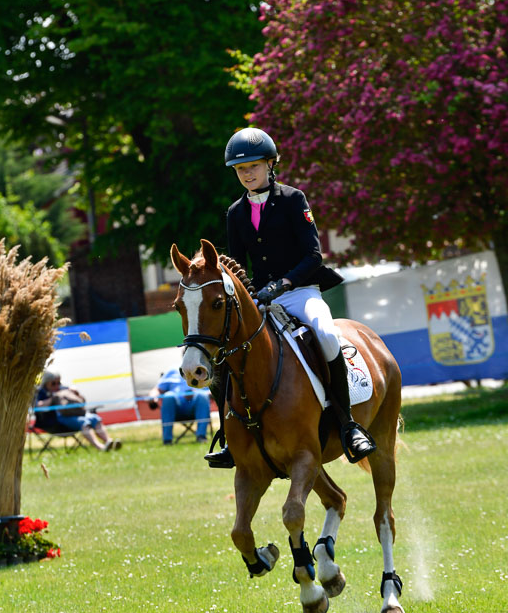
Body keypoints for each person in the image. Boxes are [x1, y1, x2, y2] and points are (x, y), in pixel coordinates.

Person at [205, 126, 376, 468]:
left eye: (253, 166)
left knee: (326, 335)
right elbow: (237, 265)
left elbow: (314, 256)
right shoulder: (235, 213)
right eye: (241, 169)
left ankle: (348, 425)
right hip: (260, 300)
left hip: (300, 292)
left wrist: (283, 284)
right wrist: (250, 293)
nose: (247, 173)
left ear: (270, 164)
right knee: (224, 356)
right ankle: (229, 437)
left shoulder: (294, 199)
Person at [36, 370, 121, 452]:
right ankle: (100, 447)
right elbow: (38, 405)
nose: (57, 386)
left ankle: (109, 442)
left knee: (95, 418)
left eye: (58, 382)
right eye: (53, 383)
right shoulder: (41, 392)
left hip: (78, 413)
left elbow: (83, 401)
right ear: (46, 383)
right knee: (84, 422)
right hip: (57, 421)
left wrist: (76, 393)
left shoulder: (64, 388)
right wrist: (53, 398)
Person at [148, 368, 211, 445]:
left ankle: (201, 437)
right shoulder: (172, 371)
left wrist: (196, 393)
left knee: (202, 395)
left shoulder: (202, 370)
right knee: (168, 396)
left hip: (196, 406)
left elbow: (212, 390)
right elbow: (157, 389)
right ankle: (167, 440)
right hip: (176, 407)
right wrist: (152, 397)